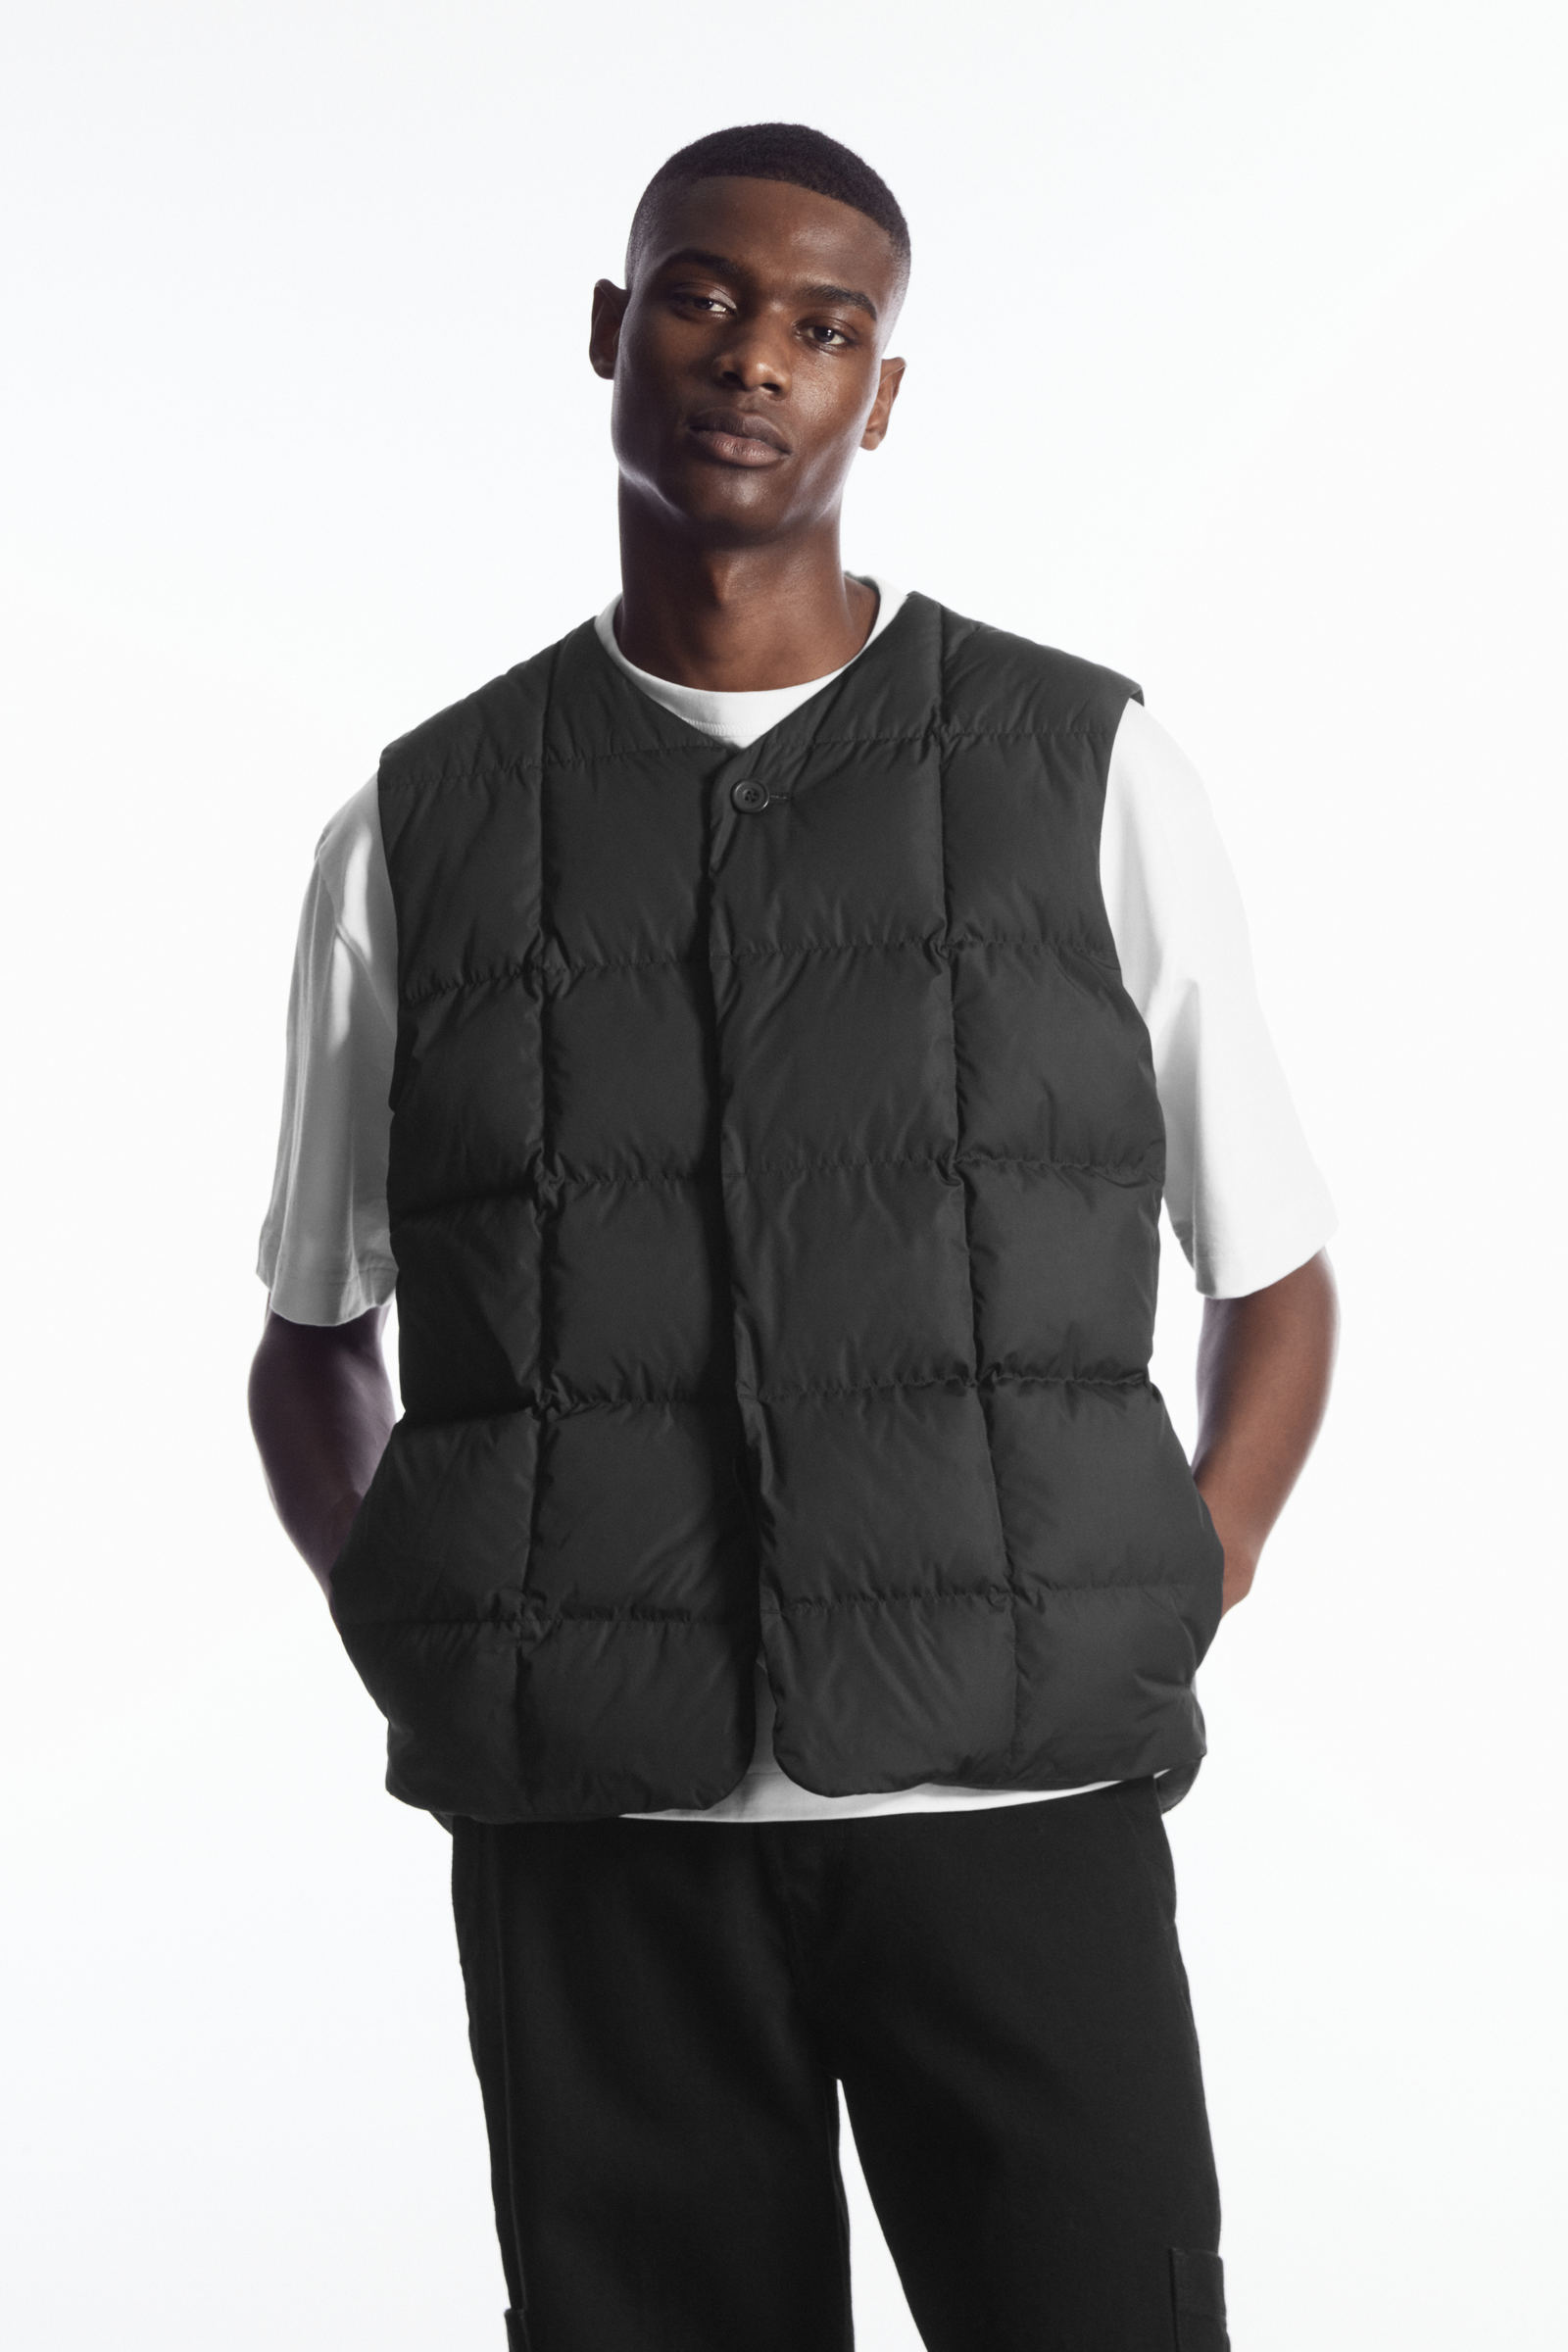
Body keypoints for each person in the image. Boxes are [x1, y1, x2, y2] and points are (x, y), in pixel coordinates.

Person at [248, 121, 1339, 2352]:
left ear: (881, 394)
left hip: (1015, 1809)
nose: (755, 357)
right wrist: (442, 1627)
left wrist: (1179, 1574)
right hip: (596, 1844)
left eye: (826, 327)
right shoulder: (420, 826)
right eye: (703, 295)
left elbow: (1275, 1274)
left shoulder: (1078, 763)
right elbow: (310, 1337)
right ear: (609, 329)